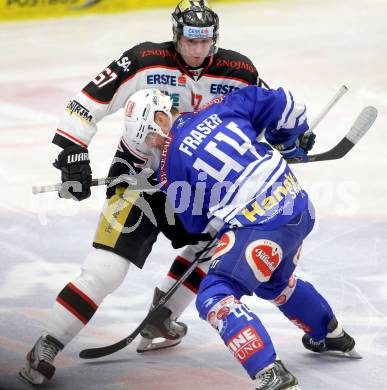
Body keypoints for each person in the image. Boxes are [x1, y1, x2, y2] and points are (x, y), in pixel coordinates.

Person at [19, 0, 279, 386]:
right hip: (137, 177)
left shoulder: (239, 70)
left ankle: (161, 317)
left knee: (213, 246)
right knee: (104, 270)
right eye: (190, 41)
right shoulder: (143, 60)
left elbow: (266, 110)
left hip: (195, 185)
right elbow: (88, 101)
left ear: (214, 39)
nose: (196, 50)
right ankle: (49, 342)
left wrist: (288, 137)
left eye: (204, 41)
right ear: (177, 36)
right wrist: (73, 149)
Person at [117, 87, 360, 389]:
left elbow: (194, 225)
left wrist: (168, 184)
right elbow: (286, 105)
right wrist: (288, 140)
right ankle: (331, 334)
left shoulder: (170, 165)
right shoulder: (223, 105)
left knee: (214, 295)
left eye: (148, 137)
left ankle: (270, 373)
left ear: (160, 119)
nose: (151, 146)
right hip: (298, 206)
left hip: (266, 226)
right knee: (274, 282)